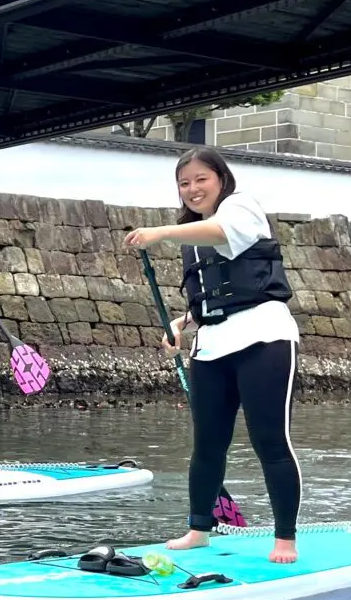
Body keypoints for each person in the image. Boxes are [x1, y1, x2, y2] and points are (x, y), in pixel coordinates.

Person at [124, 146, 302, 563]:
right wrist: (181, 323)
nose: (192, 189)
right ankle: (199, 528)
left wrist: (162, 232)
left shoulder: (241, 209)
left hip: (264, 337)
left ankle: (285, 539)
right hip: (213, 345)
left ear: (221, 179)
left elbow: (223, 234)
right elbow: (214, 293)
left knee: (270, 441)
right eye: (184, 183)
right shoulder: (194, 236)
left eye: (200, 179)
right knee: (207, 444)